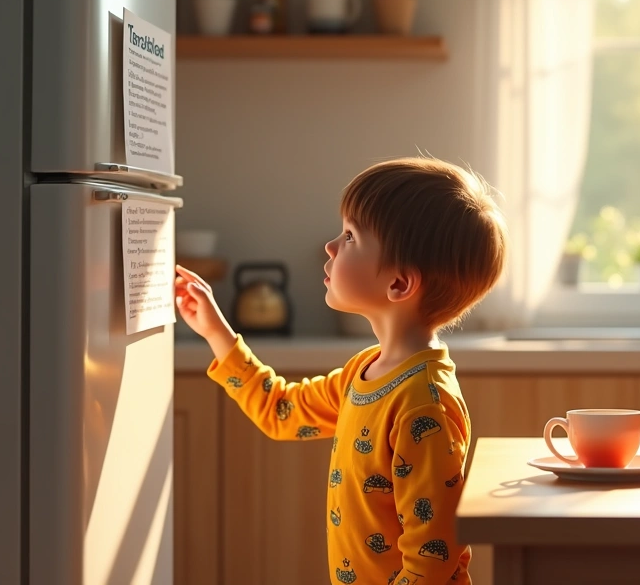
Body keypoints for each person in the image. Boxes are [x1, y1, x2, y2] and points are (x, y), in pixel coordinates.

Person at [174, 157, 508, 583]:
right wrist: (216, 333)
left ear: (399, 284)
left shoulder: (424, 405)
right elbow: (282, 412)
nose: (331, 247)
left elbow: (432, 557)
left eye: (350, 237)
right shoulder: (364, 371)